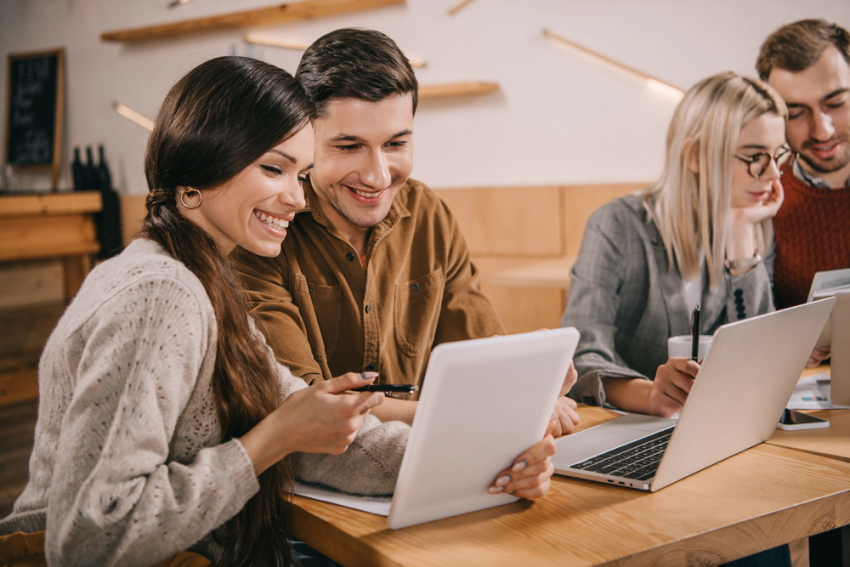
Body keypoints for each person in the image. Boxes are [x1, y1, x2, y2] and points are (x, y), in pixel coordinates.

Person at [0, 57, 557, 567]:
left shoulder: (203, 280)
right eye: (275, 169)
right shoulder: (159, 295)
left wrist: (489, 462)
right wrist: (269, 441)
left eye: (301, 173)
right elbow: (88, 539)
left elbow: (314, 426)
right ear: (197, 176)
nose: (297, 197)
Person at [232, 28, 581, 435]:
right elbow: (308, 409)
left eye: (396, 143)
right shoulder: (265, 229)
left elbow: (479, 360)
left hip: (428, 462)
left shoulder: (428, 214)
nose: (377, 176)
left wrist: (523, 380)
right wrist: (495, 411)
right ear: (305, 138)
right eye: (348, 147)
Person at [562, 72, 786, 418]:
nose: (773, 175)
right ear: (695, 156)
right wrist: (650, 394)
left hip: (713, 425)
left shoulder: (753, 222)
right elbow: (580, 355)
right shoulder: (616, 225)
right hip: (629, 427)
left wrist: (741, 236)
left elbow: (764, 358)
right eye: (756, 157)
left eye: (778, 155)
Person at [757, 19, 850, 366]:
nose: (822, 131)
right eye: (796, 113)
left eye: (837, 102)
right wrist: (784, 339)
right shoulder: (761, 198)